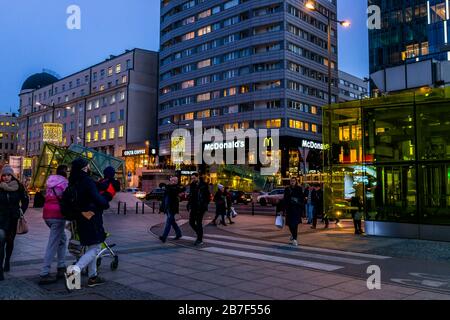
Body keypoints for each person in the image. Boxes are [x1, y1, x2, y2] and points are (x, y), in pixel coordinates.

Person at [64, 158, 110, 290]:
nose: (89, 168)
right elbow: (97, 198)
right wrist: (105, 202)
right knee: (95, 248)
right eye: (88, 166)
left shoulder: (73, 181)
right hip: (91, 217)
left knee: (91, 247)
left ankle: (93, 277)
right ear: (84, 168)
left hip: (80, 217)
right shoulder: (87, 181)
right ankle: (74, 271)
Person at [39, 165, 69, 285]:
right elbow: (67, 198)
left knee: (62, 239)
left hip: (47, 214)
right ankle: (44, 272)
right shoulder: (65, 183)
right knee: (53, 243)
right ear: (65, 173)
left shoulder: (50, 181)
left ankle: (61, 266)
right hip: (58, 215)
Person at [0, 165, 29, 281]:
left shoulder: (19, 187)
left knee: (10, 241)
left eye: (8, 175)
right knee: (1, 241)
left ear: (12, 175)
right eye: (4, 175)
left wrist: (21, 211)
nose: (6, 177)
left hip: (13, 218)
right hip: (1, 219)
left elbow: (25, 201)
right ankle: (0, 270)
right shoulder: (0, 187)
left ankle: (7, 261)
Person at [187, 173, 210, 246]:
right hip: (194, 206)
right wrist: (188, 204)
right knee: (191, 222)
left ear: (198, 177)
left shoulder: (204, 184)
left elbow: (207, 196)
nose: (193, 180)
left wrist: (204, 204)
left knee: (199, 222)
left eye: (194, 178)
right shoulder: (192, 185)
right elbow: (191, 196)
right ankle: (199, 233)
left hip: (201, 207)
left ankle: (199, 239)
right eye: (192, 178)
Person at [159, 176, 184, 243]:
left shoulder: (176, 188)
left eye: (174, 181)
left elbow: (174, 191)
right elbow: (161, 186)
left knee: (168, 222)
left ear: (176, 181)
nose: (172, 182)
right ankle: (179, 234)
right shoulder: (168, 187)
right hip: (167, 207)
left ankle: (164, 237)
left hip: (172, 208)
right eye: (171, 180)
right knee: (172, 222)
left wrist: (166, 187)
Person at [284, 177, 304, 246]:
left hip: (296, 209)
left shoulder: (299, 188)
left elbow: (302, 198)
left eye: (294, 181)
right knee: (289, 224)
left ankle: (295, 239)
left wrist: (297, 201)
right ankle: (293, 234)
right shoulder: (287, 189)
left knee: (295, 224)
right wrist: (283, 209)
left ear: (296, 181)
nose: (292, 182)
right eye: (291, 181)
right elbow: (285, 199)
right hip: (289, 209)